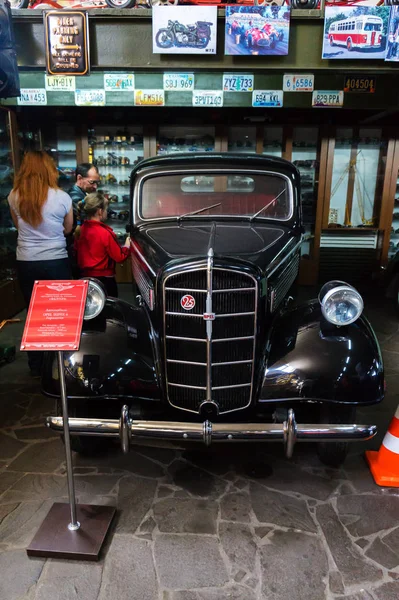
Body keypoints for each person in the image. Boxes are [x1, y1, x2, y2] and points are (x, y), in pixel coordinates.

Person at [7, 150, 73, 376]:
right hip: (56, 261)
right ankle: (62, 362)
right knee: (61, 312)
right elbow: (68, 229)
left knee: (33, 312)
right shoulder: (62, 197)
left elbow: (18, 227)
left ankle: (36, 365)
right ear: (48, 169)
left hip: (26, 261)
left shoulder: (14, 196)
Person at [74, 192, 130, 297]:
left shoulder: (80, 230)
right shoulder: (105, 233)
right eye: (106, 209)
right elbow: (119, 257)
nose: (107, 212)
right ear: (100, 211)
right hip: (105, 281)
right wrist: (127, 245)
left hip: (84, 279)